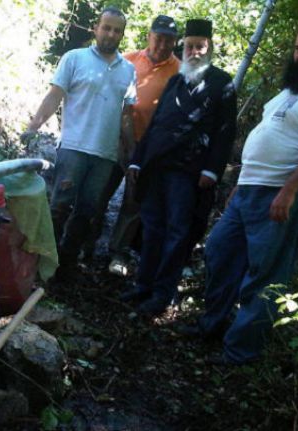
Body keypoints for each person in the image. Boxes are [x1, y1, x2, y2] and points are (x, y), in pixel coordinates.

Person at [188, 24, 298, 366]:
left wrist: (290, 190)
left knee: (266, 275)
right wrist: (240, 186)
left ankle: (239, 354)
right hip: (250, 191)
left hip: (289, 193)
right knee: (219, 250)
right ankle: (211, 327)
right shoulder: (288, 93)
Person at [121, 19, 237, 317]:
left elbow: (225, 133)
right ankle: (143, 284)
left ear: (209, 49)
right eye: (189, 46)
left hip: (188, 172)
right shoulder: (175, 80)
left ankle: (162, 293)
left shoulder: (221, 83)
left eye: (200, 46)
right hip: (157, 165)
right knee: (151, 226)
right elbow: (157, 124)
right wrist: (138, 158)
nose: (194, 52)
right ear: (183, 48)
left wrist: (212, 170)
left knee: (176, 233)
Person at [23, 7, 137, 279]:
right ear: (96, 28)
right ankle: (39, 263)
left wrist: (131, 153)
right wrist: (33, 126)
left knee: (87, 212)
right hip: (74, 147)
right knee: (60, 205)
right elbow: (54, 95)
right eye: (106, 27)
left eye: (117, 30)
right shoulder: (74, 58)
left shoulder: (129, 70)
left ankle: (64, 266)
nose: (111, 34)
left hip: (105, 156)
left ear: (122, 34)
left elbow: (126, 116)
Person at [85, 15, 181, 272]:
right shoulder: (127, 60)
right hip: (115, 138)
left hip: (149, 148)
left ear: (176, 42)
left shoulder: (180, 71)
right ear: (149, 35)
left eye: (169, 40)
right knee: (100, 191)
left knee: (133, 202)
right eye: (159, 37)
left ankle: (118, 253)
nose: (162, 44)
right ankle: (87, 244)